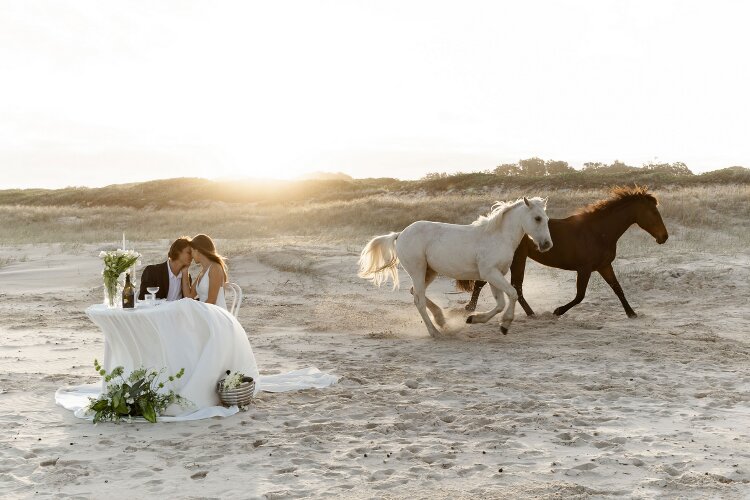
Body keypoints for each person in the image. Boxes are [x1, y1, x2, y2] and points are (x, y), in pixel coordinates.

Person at [138, 237, 193, 301]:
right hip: (157, 310)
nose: (192, 256)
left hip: (178, 311)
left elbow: (188, 302)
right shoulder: (152, 272)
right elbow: (143, 299)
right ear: (177, 251)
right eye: (189, 252)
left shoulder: (186, 277)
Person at [184, 234, 228, 309]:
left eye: (191, 251)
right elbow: (189, 296)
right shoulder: (203, 271)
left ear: (197, 251)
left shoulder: (215, 267)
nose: (191, 255)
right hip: (206, 311)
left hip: (214, 313)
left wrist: (197, 311)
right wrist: (185, 271)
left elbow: (212, 300)